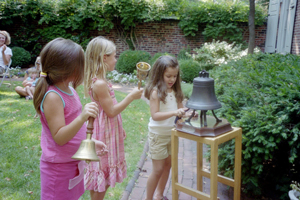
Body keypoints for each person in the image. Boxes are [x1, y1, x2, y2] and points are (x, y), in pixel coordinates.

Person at [33, 38, 108, 200]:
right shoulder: (53, 96)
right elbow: (60, 137)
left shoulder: (70, 90)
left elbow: (75, 130)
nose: (83, 68)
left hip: (72, 163)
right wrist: (82, 117)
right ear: (69, 68)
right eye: (80, 64)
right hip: (58, 170)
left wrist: (91, 142)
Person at [83, 36, 143, 200]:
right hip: (105, 133)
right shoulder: (100, 84)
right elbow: (110, 111)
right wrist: (131, 96)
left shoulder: (100, 80)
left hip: (108, 128)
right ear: (104, 58)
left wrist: (119, 127)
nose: (116, 60)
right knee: (104, 172)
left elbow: (108, 108)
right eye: (114, 56)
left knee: (100, 174)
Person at [144, 55, 186, 200]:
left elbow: (182, 111)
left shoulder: (177, 91)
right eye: (168, 76)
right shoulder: (156, 91)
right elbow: (155, 115)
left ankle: (159, 195)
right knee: (158, 169)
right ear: (159, 73)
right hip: (158, 135)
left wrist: (189, 114)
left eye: (175, 76)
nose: (172, 79)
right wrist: (175, 112)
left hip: (172, 134)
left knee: (168, 165)